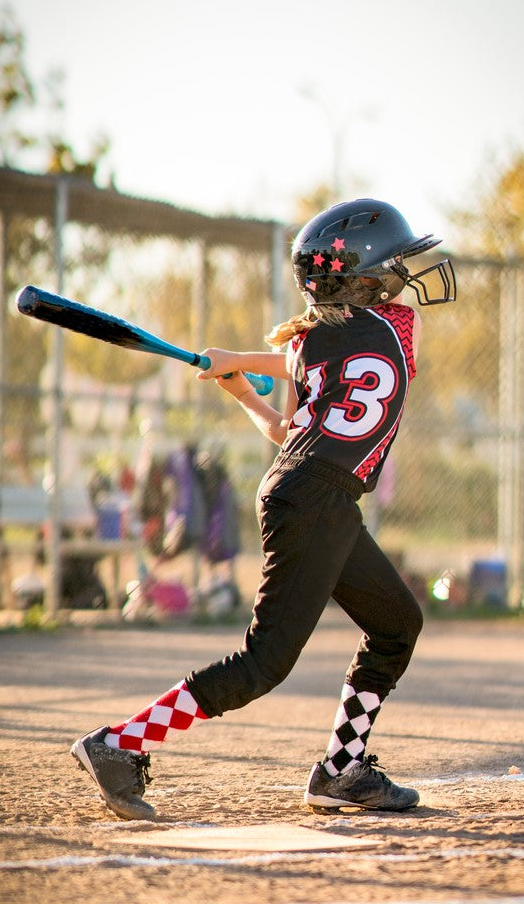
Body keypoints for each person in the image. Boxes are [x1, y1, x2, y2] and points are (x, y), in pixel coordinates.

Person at [70, 198, 457, 820]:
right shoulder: (383, 330)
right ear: (361, 279)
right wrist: (246, 363)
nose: (403, 277)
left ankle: (340, 771)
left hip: (310, 495)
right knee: (263, 662)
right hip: (313, 500)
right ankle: (119, 744)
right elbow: (305, 372)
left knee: (395, 623)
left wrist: (245, 384)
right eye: (391, 267)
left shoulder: (329, 339)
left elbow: (291, 426)